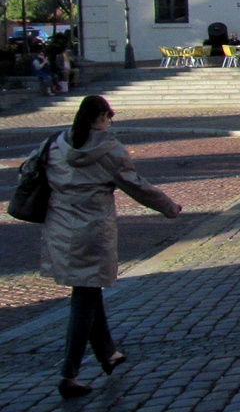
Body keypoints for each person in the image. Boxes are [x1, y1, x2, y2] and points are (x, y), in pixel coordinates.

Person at [41, 95, 181, 399]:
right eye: (109, 118)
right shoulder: (108, 150)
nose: (110, 124)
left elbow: (31, 169)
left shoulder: (55, 143)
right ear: (101, 117)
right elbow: (138, 187)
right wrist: (170, 207)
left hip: (60, 229)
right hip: (92, 231)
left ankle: (108, 354)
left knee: (88, 289)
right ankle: (69, 374)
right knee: (85, 297)